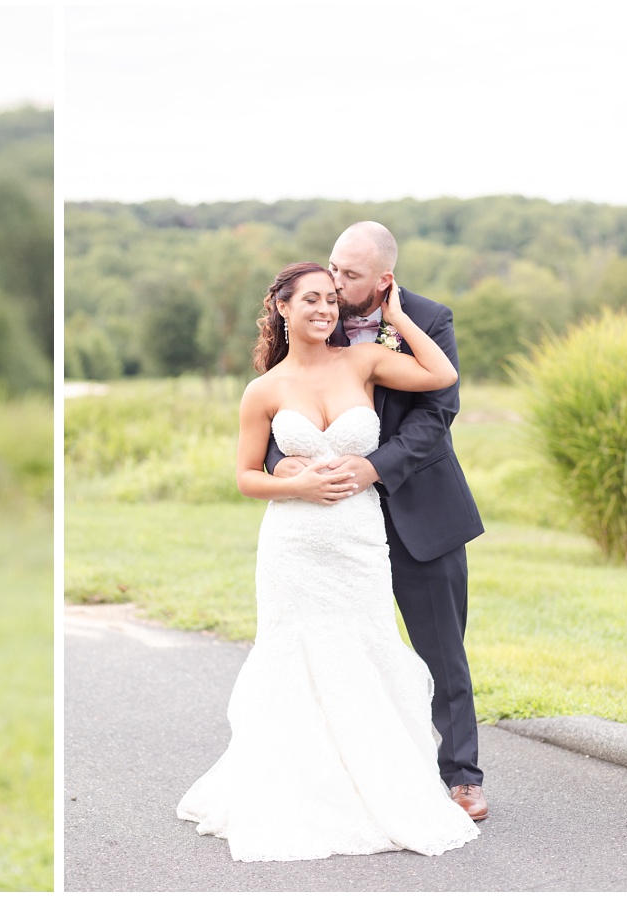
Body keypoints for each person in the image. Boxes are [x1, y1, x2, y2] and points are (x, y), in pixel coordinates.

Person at [176, 261, 480, 861]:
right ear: (282, 308)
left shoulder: (363, 361)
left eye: (331, 299)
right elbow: (244, 476)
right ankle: (298, 789)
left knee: (365, 652)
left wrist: (395, 317)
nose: (324, 308)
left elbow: (442, 375)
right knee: (294, 658)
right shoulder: (262, 390)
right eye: (310, 299)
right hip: (294, 546)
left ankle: (391, 784)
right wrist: (294, 485)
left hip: (357, 540)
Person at [273, 222, 488, 820]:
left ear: (384, 279)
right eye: (333, 268)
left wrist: (372, 467)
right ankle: (360, 772)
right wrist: (281, 463)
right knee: (342, 649)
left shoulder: (429, 318)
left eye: (349, 275)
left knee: (442, 651)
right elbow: (278, 399)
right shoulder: (317, 311)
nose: (334, 285)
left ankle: (462, 775)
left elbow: (437, 412)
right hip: (335, 523)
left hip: (421, 508)